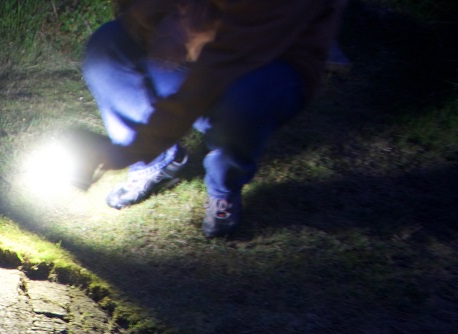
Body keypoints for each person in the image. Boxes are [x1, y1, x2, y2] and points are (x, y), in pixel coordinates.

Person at [77, 0, 348, 238]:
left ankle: (224, 188)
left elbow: (218, 69)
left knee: (245, 100)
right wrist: (162, 17)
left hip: (270, 65)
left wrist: (134, 149)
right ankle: (155, 161)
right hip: (204, 53)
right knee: (109, 43)